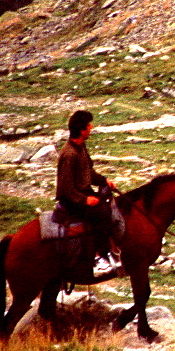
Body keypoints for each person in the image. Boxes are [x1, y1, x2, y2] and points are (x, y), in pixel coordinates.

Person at [56, 110, 118, 263]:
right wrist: (85, 200)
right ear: (82, 130)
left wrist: (104, 180)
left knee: (110, 204)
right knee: (103, 214)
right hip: (72, 200)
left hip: (83, 193)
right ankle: (100, 257)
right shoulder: (69, 154)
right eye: (89, 125)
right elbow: (65, 188)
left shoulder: (81, 146)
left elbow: (88, 172)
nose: (91, 128)